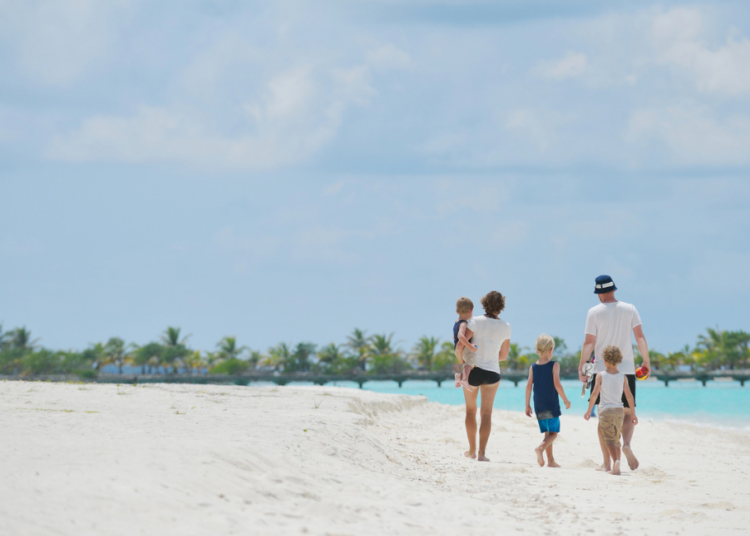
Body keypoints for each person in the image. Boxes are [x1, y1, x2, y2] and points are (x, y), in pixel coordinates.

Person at [578, 274, 650, 472]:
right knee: (626, 412)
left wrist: (582, 365)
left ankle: (607, 462)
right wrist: (646, 361)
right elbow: (640, 336)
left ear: (598, 294)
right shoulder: (630, 309)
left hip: (602, 369)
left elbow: (589, 342)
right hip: (626, 369)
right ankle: (626, 444)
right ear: (614, 290)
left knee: (604, 417)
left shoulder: (594, 312)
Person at [459, 291, 511, 462]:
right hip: (493, 372)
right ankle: (482, 453)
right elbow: (503, 356)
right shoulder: (506, 326)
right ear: (501, 306)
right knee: (486, 414)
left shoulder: (475, 321)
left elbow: (462, 344)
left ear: (484, 304)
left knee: (470, 411)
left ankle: (472, 450)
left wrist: (461, 360)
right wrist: (489, 357)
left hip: (473, 369)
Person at [584, 345, 638, 476]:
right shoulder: (623, 377)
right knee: (616, 438)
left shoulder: (600, 376)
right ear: (619, 361)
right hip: (619, 411)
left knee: (609, 440)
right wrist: (633, 413)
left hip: (605, 412)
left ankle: (615, 461)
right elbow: (629, 396)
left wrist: (589, 409)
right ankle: (617, 466)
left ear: (604, 360)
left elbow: (595, 394)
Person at [525, 334, 572, 467]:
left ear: (537, 351)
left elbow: (528, 386)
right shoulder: (554, 365)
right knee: (553, 433)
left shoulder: (533, 367)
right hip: (551, 404)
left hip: (538, 405)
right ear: (551, 350)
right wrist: (566, 400)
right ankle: (540, 448)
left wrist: (527, 405)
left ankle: (550, 461)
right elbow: (557, 384)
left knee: (547, 432)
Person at [453, 297, 477, 390]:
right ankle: (465, 380)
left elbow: (454, 337)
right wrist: (470, 346)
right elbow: (460, 336)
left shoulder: (456, 322)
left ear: (456, 311)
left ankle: (458, 376)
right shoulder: (463, 323)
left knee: (465, 363)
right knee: (470, 362)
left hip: (457, 348)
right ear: (470, 311)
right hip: (464, 348)